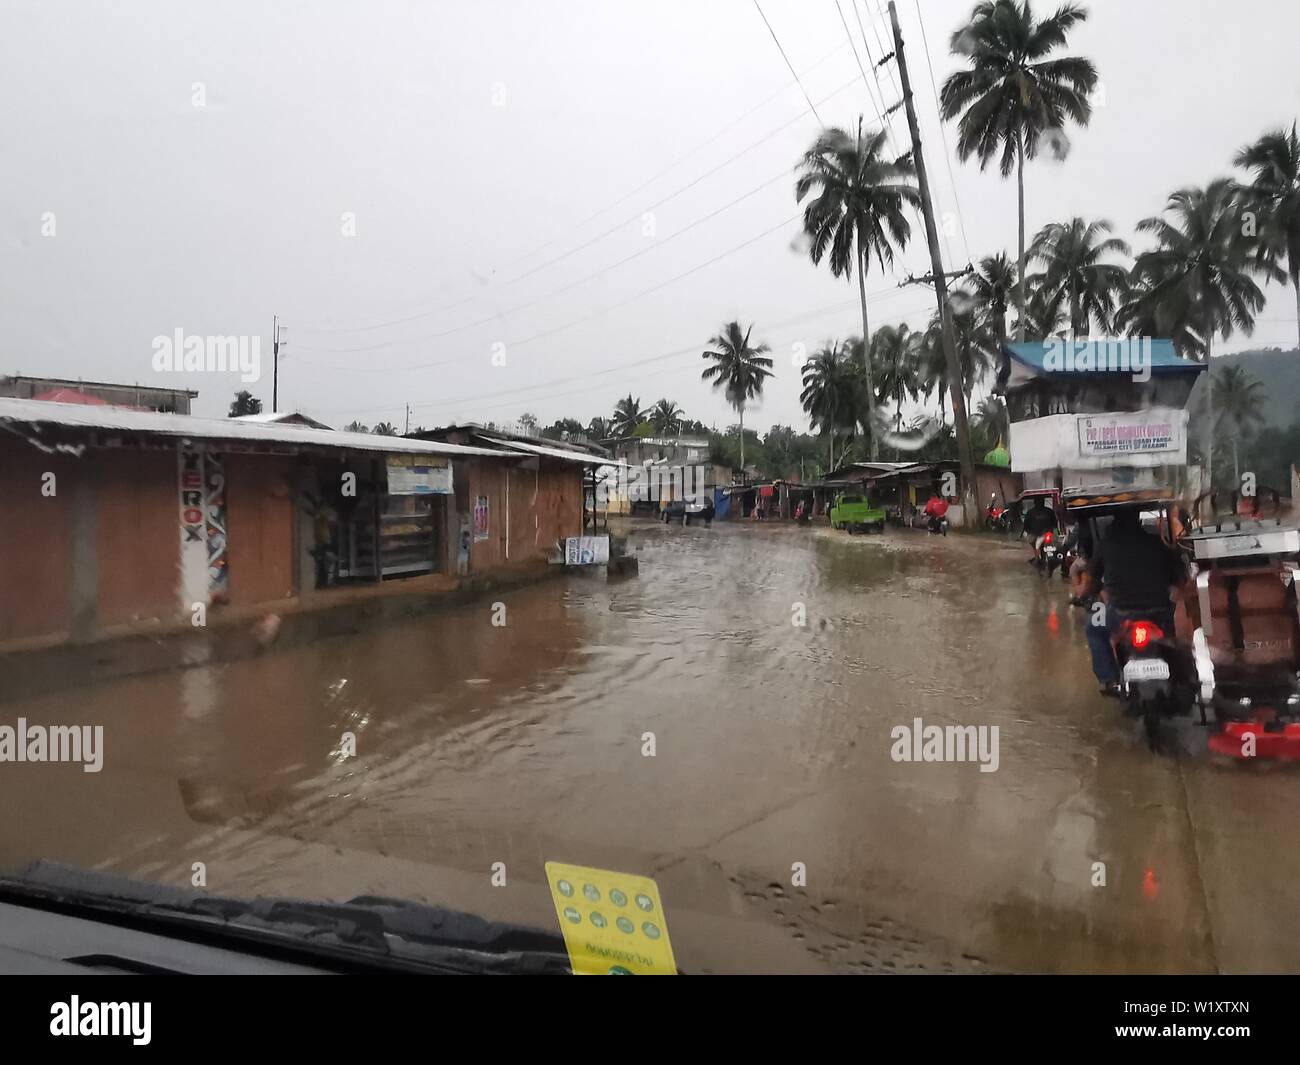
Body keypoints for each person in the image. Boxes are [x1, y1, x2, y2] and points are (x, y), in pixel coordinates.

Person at [1084, 508, 1186, 695]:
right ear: (1138, 521)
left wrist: (1088, 594)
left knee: (1094, 628)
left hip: (1120, 613)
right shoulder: (1158, 543)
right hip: (1159, 610)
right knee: (1176, 635)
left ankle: (1108, 680)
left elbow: (1091, 583)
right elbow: (1178, 580)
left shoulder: (1105, 545)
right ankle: (1182, 676)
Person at [1022, 496, 1057, 563]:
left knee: (1032, 542)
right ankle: (1038, 556)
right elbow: (1054, 523)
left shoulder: (1030, 512)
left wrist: (1028, 531)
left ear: (1034, 503)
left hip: (1038, 534)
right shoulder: (1049, 511)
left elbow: (1026, 525)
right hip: (1047, 533)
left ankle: (1037, 557)